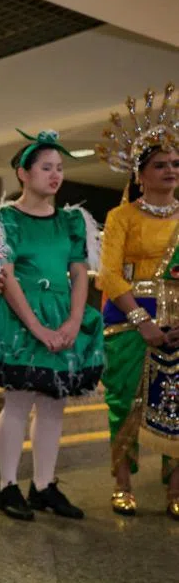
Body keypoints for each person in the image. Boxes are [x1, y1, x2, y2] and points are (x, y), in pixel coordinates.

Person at [0, 131, 104, 520]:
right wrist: (39, 329)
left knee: (54, 404)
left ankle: (45, 485)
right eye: (46, 167)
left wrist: (72, 322)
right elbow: (8, 278)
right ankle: (8, 485)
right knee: (17, 402)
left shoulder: (71, 221)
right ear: (23, 173)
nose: (55, 175)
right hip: (20, 317)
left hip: (64, 316)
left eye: (60, 168)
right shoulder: (7, 218)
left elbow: (81, 274)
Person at [96, 84, 179, 520]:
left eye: (175, 163)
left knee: (178, 406)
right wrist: (142, 319)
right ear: (141, 173)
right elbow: (109, 273)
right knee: (123, 402)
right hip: (128, 322)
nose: (171, 170)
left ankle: (175, 490)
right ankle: (122, 483)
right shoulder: (121, 217)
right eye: (160, 164)